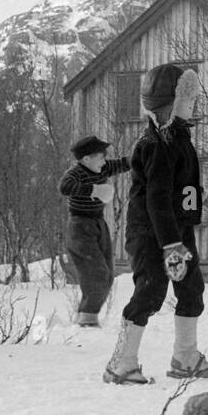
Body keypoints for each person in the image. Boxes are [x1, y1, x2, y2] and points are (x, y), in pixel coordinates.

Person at [103, 63, 208, 384]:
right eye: (190, 99)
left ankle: (186, 357)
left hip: (178, 232)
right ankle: (122, 363)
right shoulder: (156, 145)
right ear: (174, 103)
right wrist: (171, 247)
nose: (195, 104)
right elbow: (156, 200)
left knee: (191, 289)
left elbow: (176, 188)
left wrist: (203, 198)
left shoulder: (178, 139)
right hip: (152, 235)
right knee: (150, 291)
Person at [58, 134, 128, 327]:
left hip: (99, 224)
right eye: (101, 157)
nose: (104, 161)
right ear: (86, 159)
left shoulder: (102, 168)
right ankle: (87, 320)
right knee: (96, 274)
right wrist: (95, 191)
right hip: (80, 227)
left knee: (107, 275)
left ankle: (87, 315)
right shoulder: (75, 173)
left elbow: (124, 164)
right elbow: (64, 187)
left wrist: (143, 156)